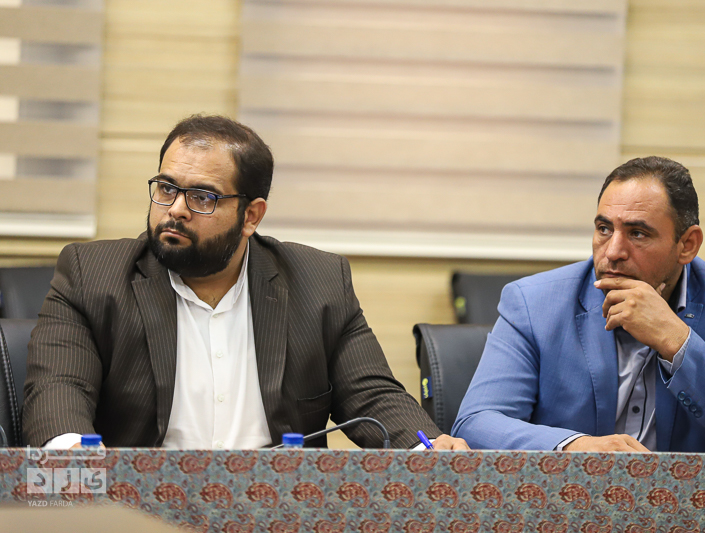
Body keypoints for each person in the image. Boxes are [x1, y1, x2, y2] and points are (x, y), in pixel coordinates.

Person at [23, 115, 467, 451]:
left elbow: (372, 395)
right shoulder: (92, 275)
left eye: (202, 197)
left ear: (251, 215)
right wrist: (74, 466)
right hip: (139, 512)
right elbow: (58, 392)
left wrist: (427, 449)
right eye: (166, 188)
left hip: (276, 509)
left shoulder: (319, 283)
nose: (175, 209)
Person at [453, 156, 705, 454]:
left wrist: (678, 342)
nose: (613, 251)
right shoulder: (533, 303)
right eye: (604, 229)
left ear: (687, 244)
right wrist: (576, 446)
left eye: (637, 233)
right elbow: (476, 423)